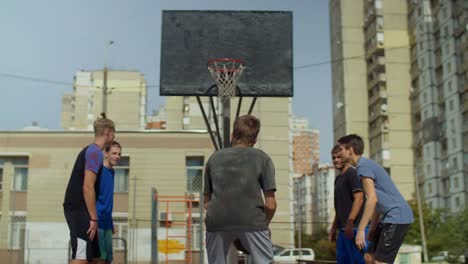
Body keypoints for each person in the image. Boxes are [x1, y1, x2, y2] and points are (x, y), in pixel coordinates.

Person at [203, 114, 277, 264]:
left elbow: (206, 202)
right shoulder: (263, 158)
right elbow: (270, 205)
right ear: (255, 139)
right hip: (252, 220)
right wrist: (264, 225)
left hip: (217, 220)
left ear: (232, 135)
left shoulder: (214, 158)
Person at [338, 134, 413, 264]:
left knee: (380, 262)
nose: (339, 153)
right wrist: (372, 228)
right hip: (388, 217)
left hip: (397, 217)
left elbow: (372, 199)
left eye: (341, 150)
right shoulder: (363, 167)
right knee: (369, 258)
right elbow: (377, 200)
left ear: (350, 150)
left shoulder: (364, 167)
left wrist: (361, 230)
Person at [63, 114, 115, 264]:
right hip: (78, 210)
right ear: (108, 133)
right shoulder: (94, 152)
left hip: (84, 210)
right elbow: (88, 186)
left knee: (97, 258)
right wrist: (93, 218)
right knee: (81, 257)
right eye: (113, 134)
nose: (113, 137)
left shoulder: (94, 152)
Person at [328, 145, 368, 263]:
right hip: (343, 231)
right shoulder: (338, 179)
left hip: (356, 229)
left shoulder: (353, 174)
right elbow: (339, 208)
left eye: (339, 157)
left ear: (345, 157)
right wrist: (333, 228)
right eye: (333, 158)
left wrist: (350, 223)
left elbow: (359, 198)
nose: (336, 160)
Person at [96, 141, 122, 264]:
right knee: (99, 259)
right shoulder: (98, 171)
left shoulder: (112, 172)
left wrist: (110, 222)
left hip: (106, 222)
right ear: (106, 153)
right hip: (97, 221)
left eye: (119, 154)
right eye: (114, 153)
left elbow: (107, 199)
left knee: (107, 259)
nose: (117, 156)